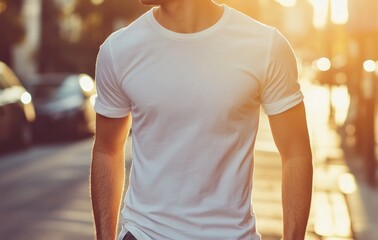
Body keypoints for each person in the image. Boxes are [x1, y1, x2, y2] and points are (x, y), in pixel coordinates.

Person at [90, 0, 313, 239]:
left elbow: (296, 153)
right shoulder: (119, 50)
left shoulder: (266, 46)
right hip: (144, 233)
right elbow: (107, 150)